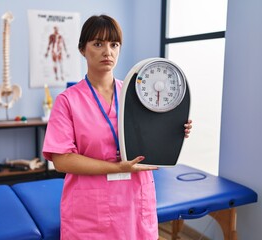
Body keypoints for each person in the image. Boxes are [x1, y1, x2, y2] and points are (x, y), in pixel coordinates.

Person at [42, 15, 192, 240]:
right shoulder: (67, 101)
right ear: (83, 49)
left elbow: (152, 133)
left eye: (114, 44)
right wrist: (118, 168)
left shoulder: (139, 93)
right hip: (90, 208)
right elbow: (62, 160)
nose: (107, 52)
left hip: (135, 201)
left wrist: (173, 130)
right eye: (98, 44)